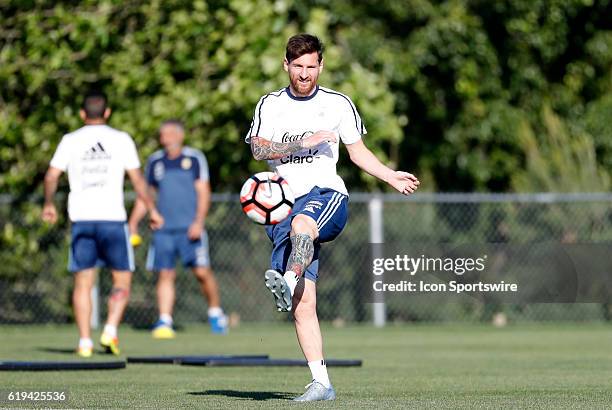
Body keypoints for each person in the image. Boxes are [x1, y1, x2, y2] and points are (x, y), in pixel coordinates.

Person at [246, 34, 420, 401]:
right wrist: (302, 143)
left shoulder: (338, 104)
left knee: (302, 227)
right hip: (283, 204)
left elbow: (357, 153)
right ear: (286, 66)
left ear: (321, 66)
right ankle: (321, 383)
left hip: (326, 197)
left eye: (311, 66)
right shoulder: (271, 104)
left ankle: (288, 277)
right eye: (298, 67)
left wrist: (390, 175)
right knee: (303, 303)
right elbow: (259, 148)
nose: (305, 74)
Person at [42, 92, 163, 357]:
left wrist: (49, 203)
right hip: (113, 221)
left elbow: (51, 176)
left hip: (82, 220)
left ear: (83, 114)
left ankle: (85, 342)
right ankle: (110, 330)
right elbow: (138, 181)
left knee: (83, 283)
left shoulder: (70, 140)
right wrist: (152, 210)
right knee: (122, 281)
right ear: (107, 113)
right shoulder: (120, 139)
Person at [128, 120, 228, 337]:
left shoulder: (194, 159)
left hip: (190, 228)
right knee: (165, 274)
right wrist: (133, 222)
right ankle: (165, 320)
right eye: (163, 134)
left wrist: (199, 222)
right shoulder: (155, 162)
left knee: (202, 272)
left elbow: (203, 191)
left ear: (180, 136)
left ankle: (215, 312)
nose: (166, 137)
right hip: (163, 230)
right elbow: (146, 195)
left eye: (171, 133)